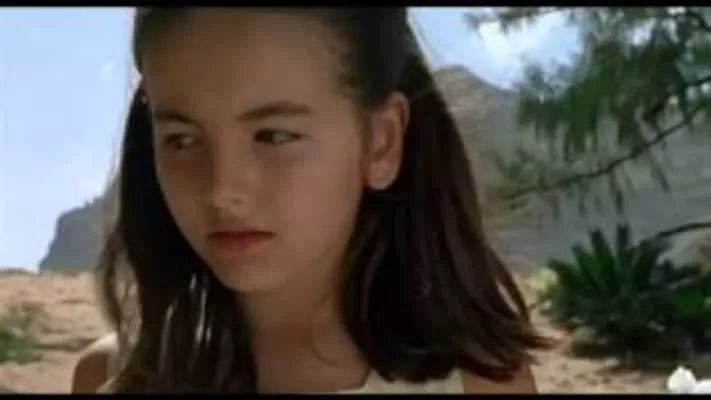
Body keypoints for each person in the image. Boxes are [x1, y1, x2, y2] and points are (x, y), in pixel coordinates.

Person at [71, 7, 552, 394]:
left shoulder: (478, 384)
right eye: (181, 140)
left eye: (274, 135)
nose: (221, 189)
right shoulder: (113, 379)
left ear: (381, 142)